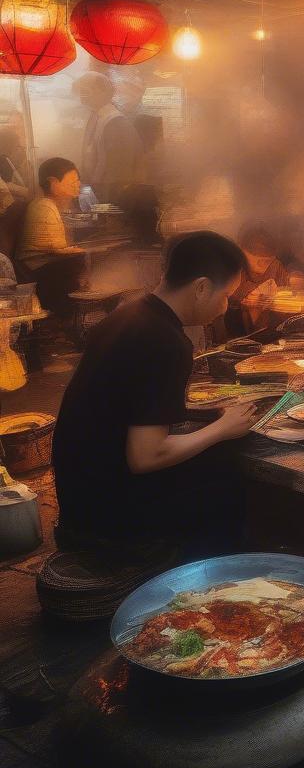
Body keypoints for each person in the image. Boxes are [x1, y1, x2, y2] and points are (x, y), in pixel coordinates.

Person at [52, 231, 255, 555]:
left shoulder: (127, 315)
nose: (226, 306)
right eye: (227, 294)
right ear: (202, 288)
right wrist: (222, 428)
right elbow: (146, 456)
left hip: (79, 499)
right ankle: (201, 582)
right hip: (109, 519)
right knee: (230, 479)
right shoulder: (166, 342)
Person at [15, 158, 87, 320]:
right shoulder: (44, 206)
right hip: (37, 271)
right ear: (53, 183)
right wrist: (79, 251)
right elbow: (57, 247)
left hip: (42, 266)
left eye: (78, 181)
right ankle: (66, 318)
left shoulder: (48, 204)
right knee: (76, 261)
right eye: (72, 182)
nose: (78, 186)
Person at [224, 222, 304, 336]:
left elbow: (290, 298)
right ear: (242, 251)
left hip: (274, 334)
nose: (262, 264)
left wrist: (296, 289)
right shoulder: (233, 272)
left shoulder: (275, 267)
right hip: (238, 333)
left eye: (267, 260)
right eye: (257, 257)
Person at [75, 71, 142, 203]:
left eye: (86, 92)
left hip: (110, 194)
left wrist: (104, 197)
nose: (81, 98)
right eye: (80, 92)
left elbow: (118, 171)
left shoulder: (116, 122)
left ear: (102, 92)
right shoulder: (95, 116)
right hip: (95, 190)